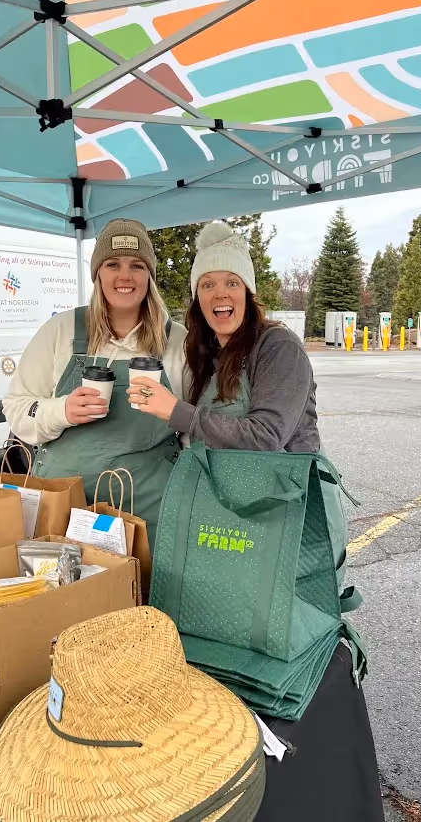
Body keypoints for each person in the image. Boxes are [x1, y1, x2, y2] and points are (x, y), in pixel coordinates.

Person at [127, 220, 348, 576]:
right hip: (237, 512)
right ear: (198, 299)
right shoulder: (207, 353)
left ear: (247, 292)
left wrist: (176, 412)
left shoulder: (278, 347)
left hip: (292, 514)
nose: (220, 294)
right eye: (208, 285)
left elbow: (266, 437)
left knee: (282, 607)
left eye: (231, 282)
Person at [3, 218, 186, 546]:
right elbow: (17, 408)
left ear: (150, 276)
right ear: (98, 273)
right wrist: (62, 411)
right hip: (66, 506)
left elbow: (194, 427)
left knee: (144, 580)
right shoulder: (61, 330)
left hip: (152, 511)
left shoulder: (178, 341)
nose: (125, 276)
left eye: (137, 265)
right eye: (113, 264)